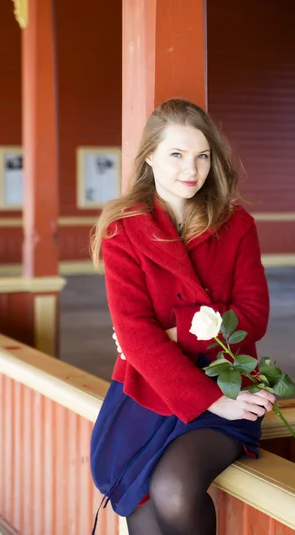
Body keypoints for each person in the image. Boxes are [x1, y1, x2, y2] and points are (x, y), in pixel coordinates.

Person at [90, 98, 274, 535]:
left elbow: (254, 315)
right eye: (176, 155)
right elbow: (135, 335)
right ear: (150, 156)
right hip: (152, 389)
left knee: (173, 486)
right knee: (141, 499)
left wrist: (175, 333)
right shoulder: (123, 229)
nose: (191, 169)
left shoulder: (236, 224)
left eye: (202, 156)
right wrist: (187, 338)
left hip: (226, 383)